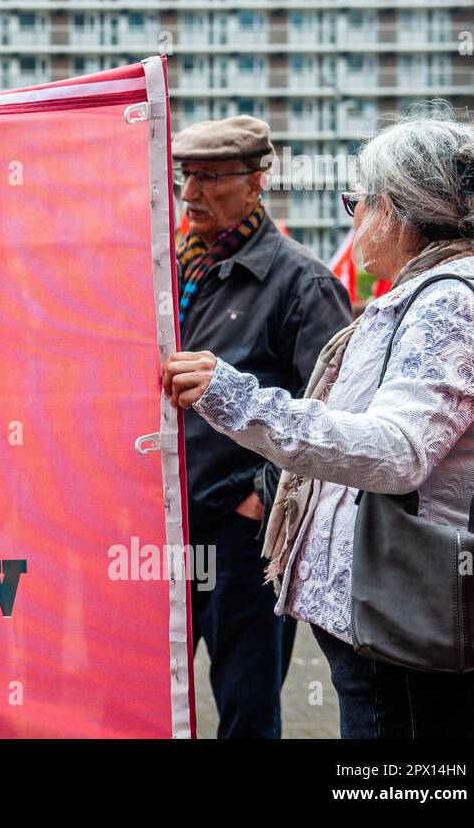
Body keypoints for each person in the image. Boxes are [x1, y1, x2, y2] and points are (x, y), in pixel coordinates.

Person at [164, 114, 474, 738]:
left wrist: (234, 396)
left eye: (358, 201)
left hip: (412, 630)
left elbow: (394, 451)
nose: (354, 220)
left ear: (398, 212)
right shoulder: (424, 300)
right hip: (397, 624)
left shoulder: (449, 307)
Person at [172, 115, 352, 738]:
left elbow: (334, 415)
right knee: (145, 694)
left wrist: (263, 497)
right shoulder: (169, 271)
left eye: (210, 178)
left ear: (256, 184)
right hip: (164, 529)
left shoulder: (303, 283)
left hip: (244, 538)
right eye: (186, 177)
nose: (191, 193)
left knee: (248, 711)